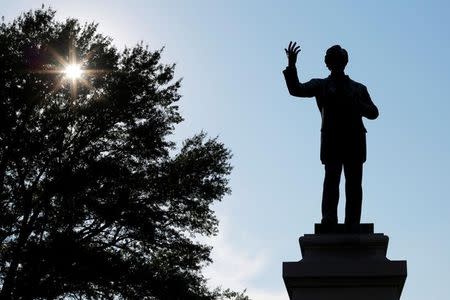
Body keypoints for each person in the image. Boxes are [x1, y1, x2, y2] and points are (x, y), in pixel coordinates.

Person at [283, 42, 379, 225]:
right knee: (331, 179)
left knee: (354, 183)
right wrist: (292, 65)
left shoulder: (358, 88)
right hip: (332, 139)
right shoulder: (320, 85)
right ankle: (329, 217)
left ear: (345, 62)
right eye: (333, 61)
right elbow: (296, 89)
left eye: (339, 60)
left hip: (354, 140)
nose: (336, 64)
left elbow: (374, 112)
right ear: (328, 64)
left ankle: (352, 220)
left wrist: (357, 104)